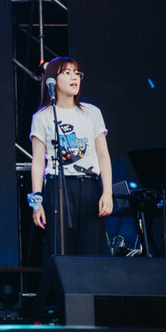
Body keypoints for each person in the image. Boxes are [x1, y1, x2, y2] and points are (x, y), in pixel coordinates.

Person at [29, 57, 113, 257]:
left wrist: (107, 192)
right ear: (53, 80)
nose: (74, 77)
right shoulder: (42, 117)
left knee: (91, 252)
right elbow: (38, 162)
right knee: (60, 253)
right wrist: (36, 202)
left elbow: (103, 155)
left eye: (77, 73)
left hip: (90, 188)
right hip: (57, 189)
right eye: (67, 73)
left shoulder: (92, 112)